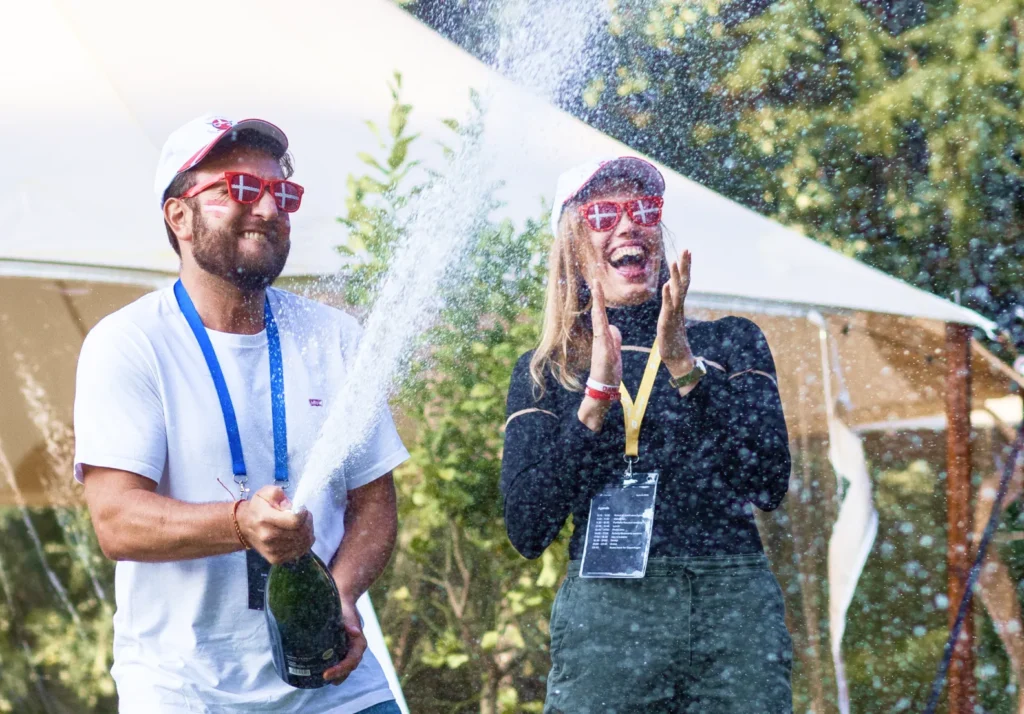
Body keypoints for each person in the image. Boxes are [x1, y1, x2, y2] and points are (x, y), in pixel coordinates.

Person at [73, 114, 409, 713]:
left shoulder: (333, 337)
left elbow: (374, 503)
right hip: (185, 690)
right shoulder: (128, 343)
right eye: (239, 189)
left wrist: (343, 592)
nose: (268, 207)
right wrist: (240, 523)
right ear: (179, 215)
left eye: (282, 192)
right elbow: (117, 521)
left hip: (336, 687)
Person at [500, 157, 793, 713]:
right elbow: (528, 528)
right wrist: (595, 401)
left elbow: (767, 483)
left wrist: (685, 368)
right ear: (573, 246)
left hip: (731, 603)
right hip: (610, 610)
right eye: (604, 213)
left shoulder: (732, 342)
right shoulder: (548, 368)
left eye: (643, 209)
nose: (629, 224)